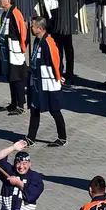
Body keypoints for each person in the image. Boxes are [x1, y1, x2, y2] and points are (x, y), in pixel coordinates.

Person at [26, 17, 68, 147]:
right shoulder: (37, 41)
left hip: (49, 83)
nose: (30, 28)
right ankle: (30, 138)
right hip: (38, 82)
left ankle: (62, 138)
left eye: (32, 26)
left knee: (54, 110)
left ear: (40, 28)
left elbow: (56, 61)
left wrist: (59, 76)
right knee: (34, 109)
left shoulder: (48, 42)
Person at [0, 0, 30, 115]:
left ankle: (21, 105)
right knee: (10, 76)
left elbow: (23, 32)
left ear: (9, 0)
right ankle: (13, 103)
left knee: (17, 77)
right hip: (6, 49)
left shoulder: (16, 14)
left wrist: (22, 49)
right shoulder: (5, 13)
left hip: (15, 50)